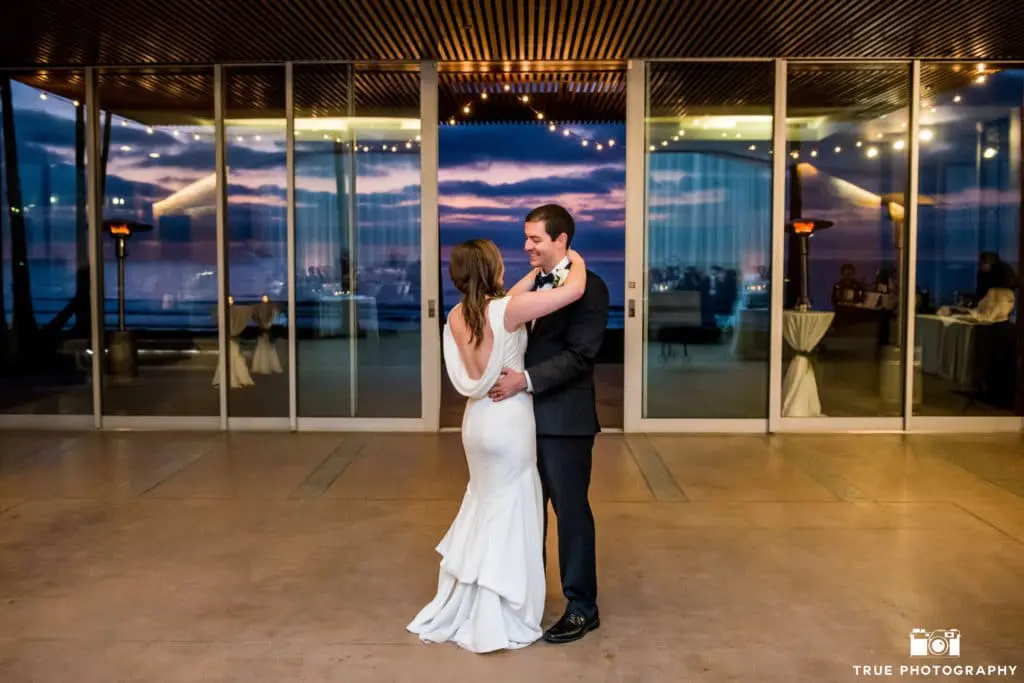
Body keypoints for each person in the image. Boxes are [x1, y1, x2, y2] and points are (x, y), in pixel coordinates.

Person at [407, 237, 589, 654]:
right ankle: (500, 607)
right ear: (492, 269)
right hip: (508, 421)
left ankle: (471, 595)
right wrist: (571, 256)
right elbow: (573, 290)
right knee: (511, 508)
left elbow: (509, 297)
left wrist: (533, 274)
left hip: (477, 421)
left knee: (484, 504)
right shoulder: (507, 311)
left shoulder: (457, 315)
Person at [488, 204, 610, 644]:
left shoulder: (591, 288)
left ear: (561, 240)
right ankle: (529, 599)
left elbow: (581, 355)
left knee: (570, 513)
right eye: (526, 237)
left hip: (565, 421)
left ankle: (582, 607)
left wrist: (524, 380)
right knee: (527, 512)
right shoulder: (532, 287)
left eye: (535, 238)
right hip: (521, 421)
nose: (527, 246)